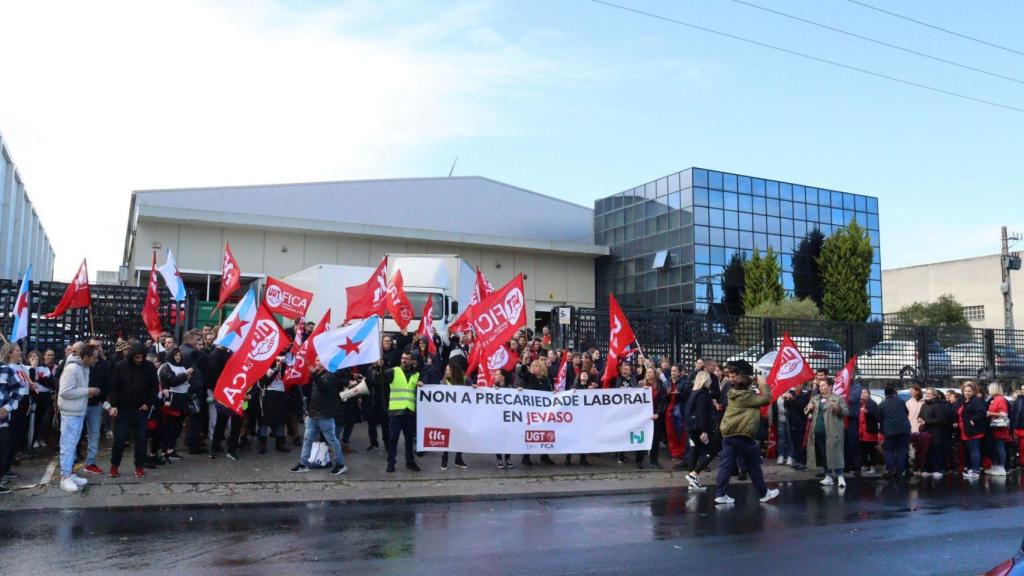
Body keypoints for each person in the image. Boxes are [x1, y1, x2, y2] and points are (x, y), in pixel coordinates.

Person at [712, 360, 779, 505]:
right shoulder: (746, 396)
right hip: (743, 435)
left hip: (729, 435)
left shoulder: (733, 393)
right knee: (754, 466)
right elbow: (767, 398)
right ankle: (763, 493)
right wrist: (762, 383)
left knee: (726, 465)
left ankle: (721, 494)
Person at [108, 343, 159, 479]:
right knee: (119, 438)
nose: (139, 360)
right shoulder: (120, 367)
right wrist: (114, 405)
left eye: (141, 357)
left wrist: (148, 403)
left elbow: (154, 387)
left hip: (140, 408)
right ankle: (114, 466)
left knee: (141, 439)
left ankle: (139, 466)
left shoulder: (149, 367)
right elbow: (114, 387)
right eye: (136, 357)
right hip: (123, 408)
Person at [56, 343, 100, 492]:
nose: (96, 360)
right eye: (94, 357)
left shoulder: (84, 368)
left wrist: (86, 392)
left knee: (73, 444)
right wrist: (87, 391)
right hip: (70, 412)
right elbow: (65, 392)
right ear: (86, 356)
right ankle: (65, 477)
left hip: (78, 411)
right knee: (68, 444)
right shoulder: (72, 369)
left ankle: (70, 473)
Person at [291, 359, 346, 475]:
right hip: (313, 415)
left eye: (318, 361)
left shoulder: (330, 376)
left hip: (324, 416)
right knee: (307, 440)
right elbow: (314, 395)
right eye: (315, 360)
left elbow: (323, 387)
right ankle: (303, 464)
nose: (315, 362)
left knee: (332, 440)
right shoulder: (319, 375)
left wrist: (314, 374)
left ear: (324, 363)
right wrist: (307, 411)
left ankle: (340, 464)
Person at [382, 352, 422, 473]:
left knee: (409, 440)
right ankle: (391, 463)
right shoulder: (393, 371)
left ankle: (410, 462)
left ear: (411, 361)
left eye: (407, 359)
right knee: (393, 438)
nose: (404, 360)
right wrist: (380, 366)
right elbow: (381, 378)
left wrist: (421, 385)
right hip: (396, 412)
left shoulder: (416, 375)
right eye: (402, 358)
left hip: (409, 412)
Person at [806, 378, 849, 488]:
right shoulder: (815, 398)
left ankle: (840, 476)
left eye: (823, 385)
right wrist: (809, 408)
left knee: (836, 453)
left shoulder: (837, 398)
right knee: (823, 453)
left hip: (832, 431)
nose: (821, 387)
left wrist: (838, 408)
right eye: (820, 385)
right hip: (818, 430)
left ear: (830, 386)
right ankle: (828, 475)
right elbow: (806, 410)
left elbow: (846, 412)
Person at [1, 343, 32, 492]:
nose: (20, 352)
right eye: (18, 350)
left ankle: (6, 466)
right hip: (10, 408)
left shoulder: (18, 367)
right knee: (8, 439)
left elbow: (21, 387)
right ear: (9, 353)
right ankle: (5, 467)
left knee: (13, 437)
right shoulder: (8, 368)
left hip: (19, 404)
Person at [517, 359, 556, 466]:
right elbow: (522, 373)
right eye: (533, 366)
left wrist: (553, 394)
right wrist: (525, 363)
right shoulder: (530, 377)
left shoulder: (546, 380)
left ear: (542, 368)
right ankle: (526, 456)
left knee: (544, 432)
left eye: (536, 366)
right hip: (531, 411)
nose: (534, 368)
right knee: (530, 433)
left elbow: (549, 392)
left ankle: (544, 455)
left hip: (543, 412)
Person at [157, 348, 192, 461]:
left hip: (182, 399)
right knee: (170, 426)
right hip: (172, 400)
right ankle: (166, 450)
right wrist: (186, 375)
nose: (178, 357)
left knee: (177, 427)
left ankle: (171, 449)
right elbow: (172, 381)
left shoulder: (182, 367)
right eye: (176, 355)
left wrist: (187, 376)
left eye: (179, 355)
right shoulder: (166, 366)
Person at [684, 371, 717, 489]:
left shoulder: (694, 393)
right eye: (709, 379)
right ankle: (694, 474)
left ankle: (692, 481)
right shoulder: (703, 395)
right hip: (699, 428)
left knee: (696, 451)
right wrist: (705, 431)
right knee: (712, 451)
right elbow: (702, 414)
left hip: (692, 427)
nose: (711, 382)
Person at [877, 385, 910, 479]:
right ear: (893, 392)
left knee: (889, 450)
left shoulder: (882, 404)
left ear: (885, 393)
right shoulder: (900, 401)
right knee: (902, 450)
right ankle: (901, 471)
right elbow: (906, 413)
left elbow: (879, 418)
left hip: (890, 430)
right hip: (903, 429)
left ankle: (890, 470)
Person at [440, 363, 468, 470]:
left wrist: (474, 387)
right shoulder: (442, 383)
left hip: (461, 414)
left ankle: (458, 458)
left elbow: (473, 391)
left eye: (449, 370)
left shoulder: (465, 380)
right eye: (446, 370)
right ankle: (444, 458)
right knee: (447, 436)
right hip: (447, 415)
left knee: (460, 436)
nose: (447, 372)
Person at [957, 381, 987, 478]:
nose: (967, 393)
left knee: (974, 450)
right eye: (965, 391)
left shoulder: (975, 400)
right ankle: (971, 468)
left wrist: (973, 420)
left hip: (974, 430)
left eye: (969, 391)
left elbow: (982, 412)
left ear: (974, 392)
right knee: (971, 450)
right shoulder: (965, 400)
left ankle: (975, 470)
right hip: (965, 430)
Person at [919, 388, 948, 478]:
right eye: (926, 393)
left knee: (936, 451)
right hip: (925, 432)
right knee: (927, 451)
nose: (926, 395)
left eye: (929, 393)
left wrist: (926, 422)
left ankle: (938, 469)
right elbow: (920, 416)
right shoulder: (924, 405)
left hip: (936, 433)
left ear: (934, 395)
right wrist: (919, 419)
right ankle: (928, 469)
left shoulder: (938, 405)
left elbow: (940, 419)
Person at [783, 382, 812, 471]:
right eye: (796, 384)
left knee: (801, 443)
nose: (797, 386)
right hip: (792, 421)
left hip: (801, 422)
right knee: (794, 442)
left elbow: (801, 407)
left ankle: (802, 462)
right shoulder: (792, 393)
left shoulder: (805, 394)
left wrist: (793, 399)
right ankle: (796, 460)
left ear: (802, 385)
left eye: (799, 384)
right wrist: (786, 400)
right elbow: (786, 406)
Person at [986, 382, 1011, 477]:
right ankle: (996, 466)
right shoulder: (995, 399)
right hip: (996, 428)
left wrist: (990, 413)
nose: (988, 390)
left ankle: (1001, 467)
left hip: (1000, 427)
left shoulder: (1000, 399)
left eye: (989, 388)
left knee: (1000, 447)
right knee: (997, 447)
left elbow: (1004, 414)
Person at [858, 388, 882, 474]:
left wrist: (867, 412)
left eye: (865, 392)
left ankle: (872, 466)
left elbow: (877, 416)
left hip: (870, 430)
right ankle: (865, 465)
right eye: (862, 393)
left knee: (871, 449)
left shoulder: (872, 404)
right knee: (862, 449)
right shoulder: (860, 404)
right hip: (861, 431)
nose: (863, 394)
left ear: (869, 394)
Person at [906, 385, 929, 472]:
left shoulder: (924, 402)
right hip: (911, 427)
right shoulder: (908, 402)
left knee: (921, 448)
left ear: (917, 391)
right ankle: (915, 465)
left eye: (912, 390)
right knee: (913, 448)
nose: (910, 392)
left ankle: (922, 465)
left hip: (922, 428)